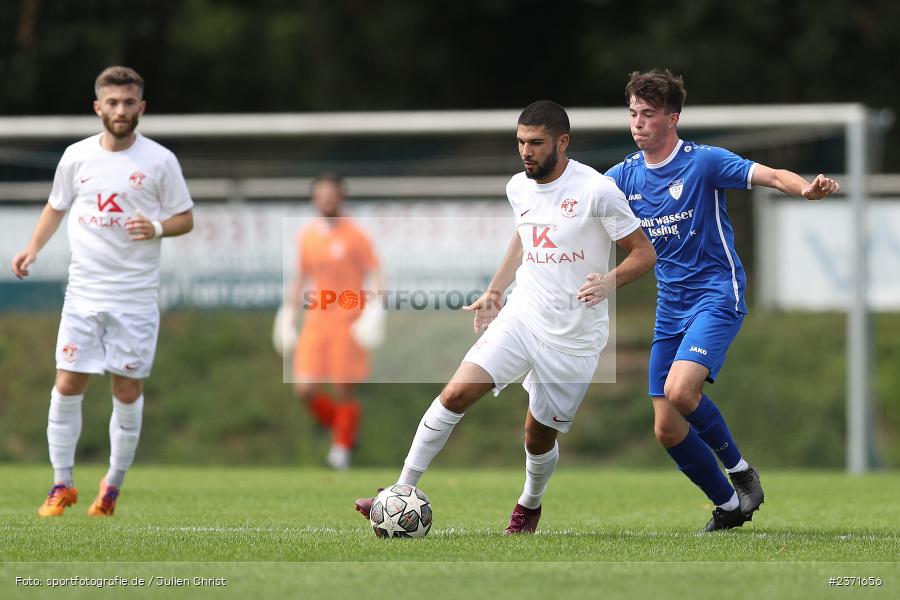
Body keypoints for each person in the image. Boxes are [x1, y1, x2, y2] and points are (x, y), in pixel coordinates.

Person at [354, 100, 656, 533]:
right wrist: (496, 290)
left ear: (562, 142)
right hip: (523, 315)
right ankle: (398, 490)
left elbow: (644, 253)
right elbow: (523, 237)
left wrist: (609, 281)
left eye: (536, 143)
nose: (526, 152)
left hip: (574, 336)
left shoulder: (596, 191)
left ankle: (529, 503)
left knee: (537, 436)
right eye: (520, 142)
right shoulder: (519, 187)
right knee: (455, 393)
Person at [605, 69, 840, 531]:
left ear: (672, 118)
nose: (637, 123)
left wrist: (806, 189)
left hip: (716, 294)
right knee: (667, 427)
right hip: (670, 306)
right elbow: (577, 201)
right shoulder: (622, 177)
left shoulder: (704, 161)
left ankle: (741, 473)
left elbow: (770, 174)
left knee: (680, 390)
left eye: (648, 114)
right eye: (633, 113)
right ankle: (730, 507)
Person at [11, 66, 194, 517]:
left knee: (126, 390)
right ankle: (61, 484)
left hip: (134, 298)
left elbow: (185, 218)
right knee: (67, 383)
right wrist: (32, 248)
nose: (120, 110)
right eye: (112, 103)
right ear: (98, 107)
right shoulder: (76, 157)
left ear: (141, 108)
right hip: (84, 294)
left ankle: (111, 485)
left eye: (129, 102)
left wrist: (153, 227)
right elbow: (56, 206)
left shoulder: (160, 161)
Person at [289, 174, 383, 470]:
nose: (327, 199)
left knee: (344, 388)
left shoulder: (355, 235)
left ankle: (340, 450)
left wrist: (375, 309)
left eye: (332, 194)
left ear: (341, 197)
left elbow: (376, 274)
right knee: (304, 389)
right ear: (314, 198)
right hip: (316, 321)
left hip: (348, 321)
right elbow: (300, 277)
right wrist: (287, 315)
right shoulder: (307, 235)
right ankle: (345, 430)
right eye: (322, 194)